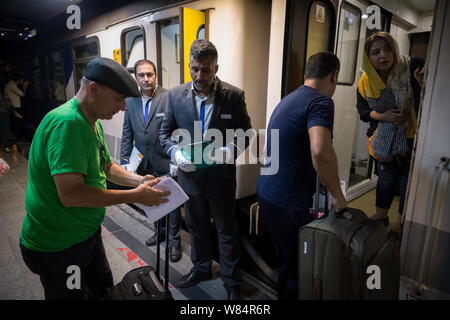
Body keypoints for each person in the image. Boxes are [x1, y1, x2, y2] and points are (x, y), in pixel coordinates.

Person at [19, 57, 170, 300]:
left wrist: (138, 181)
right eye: (118, 99)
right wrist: (135, 196)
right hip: (59, 247)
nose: (122, 107)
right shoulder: (68, 124)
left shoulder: (91, 121)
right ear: (93, 90)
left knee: (102, 291)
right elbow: (72, 194)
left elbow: (107, 166)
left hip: (85, 234)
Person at [160, 39, 252, 300]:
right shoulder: (175, 95)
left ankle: (232, 283)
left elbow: (246, 133)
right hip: (189, 177)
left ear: (216, 68)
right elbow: (165, 134)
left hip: (221, 179)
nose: (199, 75)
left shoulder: (234, 96)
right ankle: (200, 268)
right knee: (197, 227)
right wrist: (175, 153)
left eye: (206, 70)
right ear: (189, 65)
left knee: (226, 230)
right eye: (194, 69)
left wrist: (230, 151)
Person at [257, 52, 347, 300]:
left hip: (267, 195)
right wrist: (338, 197)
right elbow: (320, 151)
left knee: (286, 262)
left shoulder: (289, 99)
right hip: (290, 204)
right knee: (300, 269)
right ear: (333, 76)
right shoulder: (321, 102)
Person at [356, 32, 424, 225]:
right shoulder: (366, 80)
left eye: (387, 49)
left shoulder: (412, 66)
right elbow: (363, 111)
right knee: (385, 178)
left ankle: (402, 221)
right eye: (375, 52)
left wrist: (420, 83)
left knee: (406, 182)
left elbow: (428, 101)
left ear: (394, 50)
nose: (383, 55)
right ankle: (381, 214)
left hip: (411, 136)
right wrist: (383, 116)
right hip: (384, 138)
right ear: (369, 58)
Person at [120, 59, 182, 262]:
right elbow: (127, 133)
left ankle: (174, 242)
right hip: (143, 164)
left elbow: (177, 130)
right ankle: (159, 232)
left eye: (149, 74)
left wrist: (175, 157)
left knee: (171, 204)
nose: (146, 79)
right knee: (151, 202)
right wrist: (124, 161)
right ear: (136, 78)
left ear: (156, 75)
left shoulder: (168, 97)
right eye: (141, 75)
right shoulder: (130, 101)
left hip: (165, 161)